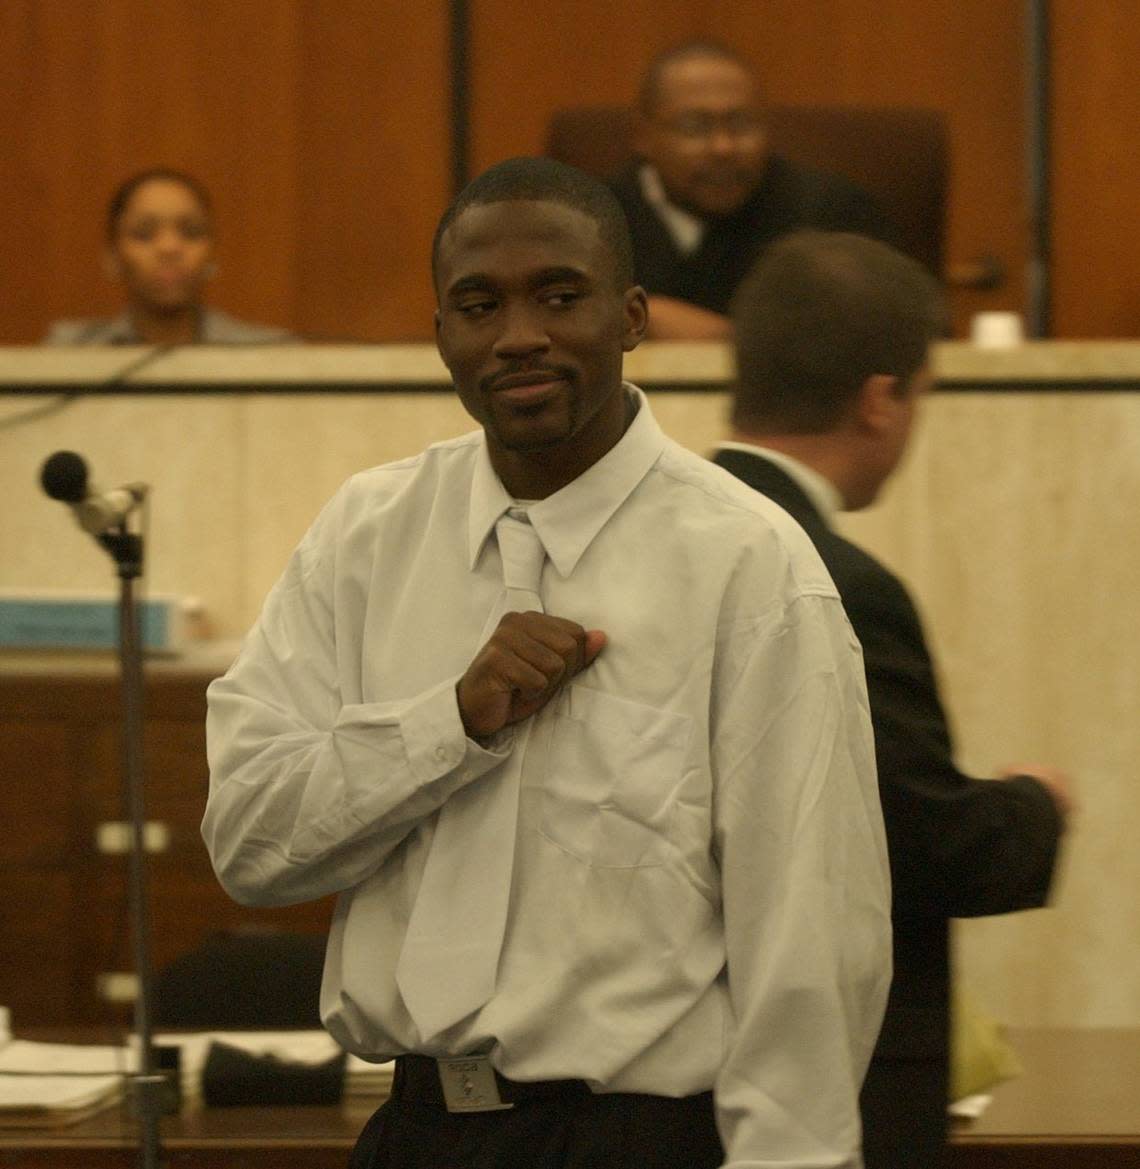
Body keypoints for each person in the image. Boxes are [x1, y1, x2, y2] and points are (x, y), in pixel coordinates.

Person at [203, 157, 891, 1168]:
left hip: (638, 1137)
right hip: (416, 1130)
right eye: (479, 304)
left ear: (632, 314)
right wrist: (453, 722)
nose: (519, 334)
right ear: (443, 335)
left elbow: (811, 936)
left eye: (559, 296)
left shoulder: (748, 562)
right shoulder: (367, 535)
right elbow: (250, 843)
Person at [718, 230, 1070, 1168]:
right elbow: (902, 841)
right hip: (825, 1083)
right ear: (882, 401)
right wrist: (1035, 806)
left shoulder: (660, 546)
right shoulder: (837, 582)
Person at [609, 40, 896, 340]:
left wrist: (730, 338)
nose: (723, 147)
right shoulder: (593, 221)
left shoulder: (829, 214)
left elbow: (900, 335)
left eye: (742, 124)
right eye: (695, 127)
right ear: (642, 135)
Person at [44, 168, 292, 345]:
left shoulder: (266, 352)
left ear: (212, 255)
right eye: (144, 234)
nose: (170, 248)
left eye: (191, 232)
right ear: (113, 257)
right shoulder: (71, 351)